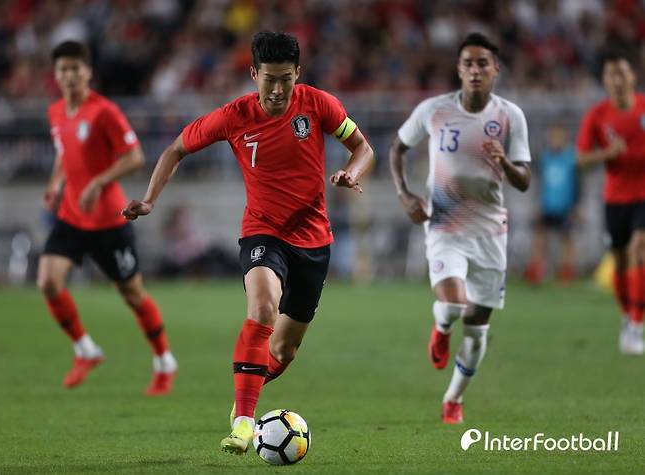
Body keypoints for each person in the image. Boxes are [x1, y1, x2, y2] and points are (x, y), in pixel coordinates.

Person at [122, 31, 374, 453]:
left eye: (286, 80)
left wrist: (353, 172)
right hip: (263, 232)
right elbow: (174, 150)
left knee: (285, 350)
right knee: (262, 308)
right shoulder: (233, 116)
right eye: (269, 80)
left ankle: (248, 386)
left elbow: (362, 147)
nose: (277, 90)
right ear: (254, 74)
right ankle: (243, 422)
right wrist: (149, 200)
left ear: (298, 74)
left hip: (314, 240)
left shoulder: (318, 104)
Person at [389, 32, 531, 424]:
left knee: (477, 330)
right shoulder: (434, 110)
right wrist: (405, 194)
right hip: (444, 225)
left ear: (496, 69)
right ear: (459, 69)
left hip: (490, 233)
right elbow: (397, 148)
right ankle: (441, 326)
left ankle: (453, 399)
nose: (475, 70)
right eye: (468, 63)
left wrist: (504, 163)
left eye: (483, 63)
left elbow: (524, 181)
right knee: (453, 305)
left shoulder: (510, 116)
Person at [37, 41, 177, 396]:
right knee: (48, 281)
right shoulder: (56, 112)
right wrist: (55, 184)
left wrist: (98, 182)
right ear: (56, 75)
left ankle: (164, 360)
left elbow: (134, 156)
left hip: (109, 221)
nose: (69, 75)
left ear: (88, 72)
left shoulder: (104, 112)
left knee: (132, 293)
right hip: (71, 216)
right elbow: (64, 151)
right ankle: (85, 350)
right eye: (63, 69)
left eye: (75, 68)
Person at [577, 49, 645, 356]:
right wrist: (608, 153)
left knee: (638, 249)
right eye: (611, 74)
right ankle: (626, 317)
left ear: (633, 76)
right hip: (615, 197)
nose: (617, 79)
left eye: (622, 73)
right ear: (604, 80)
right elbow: (581, 159)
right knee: (619, 260)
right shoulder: (597, 115)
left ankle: (637, 324)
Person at [524, 123, 579, 284]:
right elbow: (541, 184)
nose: (555, 140)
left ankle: (566, 272)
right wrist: (537, 204)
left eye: (558, 136)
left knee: (566, 240)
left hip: (565, 206)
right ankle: (537, 269)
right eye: (553, 136)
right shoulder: (546, 158)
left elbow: (578, 183)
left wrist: (576, 206)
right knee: (540, 237)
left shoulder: (572, 158)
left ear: (565, 138)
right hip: (547, 205)